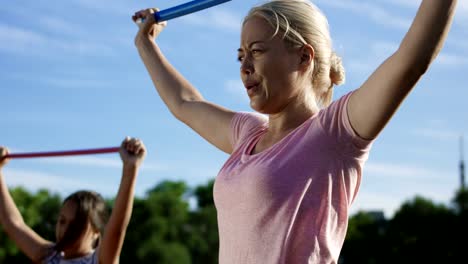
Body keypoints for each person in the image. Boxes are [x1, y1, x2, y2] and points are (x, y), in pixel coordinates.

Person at [132, 0, 457, 263]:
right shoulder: (248, 134)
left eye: (257, 51)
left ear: (303, 56)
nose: (245, 67)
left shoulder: (333, 133)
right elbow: (185, 102)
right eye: (241, 55)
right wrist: (145, 43)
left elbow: (410, 60)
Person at [0, 137, 146, 263]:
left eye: (77, 224)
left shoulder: (99, 261)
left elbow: (117, 227)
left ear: (96, 232)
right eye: (62, 221)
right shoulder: (49, 256)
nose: (65, 229)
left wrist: (130, 168)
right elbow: (13, 223)